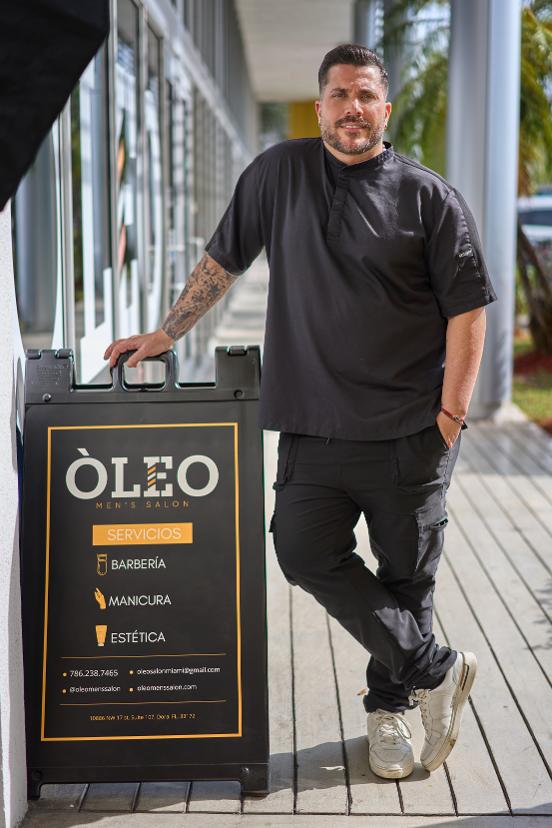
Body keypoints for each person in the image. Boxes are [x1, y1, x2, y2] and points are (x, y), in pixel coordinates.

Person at [104, 44, 497, 780]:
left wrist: (450, 416)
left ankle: (390, 714)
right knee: (301, 552)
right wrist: (167, 332)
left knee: (407, 579)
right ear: (319, 107)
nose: (353, 108)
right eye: (340, 94)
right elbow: (225, 259)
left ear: (385, 108)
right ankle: (437, 669)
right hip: (312, 428)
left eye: (366, 95)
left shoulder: (429, 198)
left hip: (409, 432)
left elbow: (468, 310)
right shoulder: (278, 173)